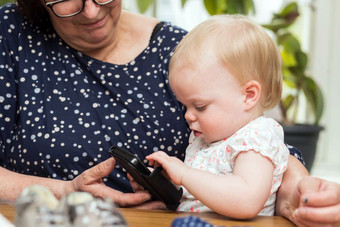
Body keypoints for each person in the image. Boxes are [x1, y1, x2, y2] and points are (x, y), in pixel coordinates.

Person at [0, 0, 339, 226]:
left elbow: (262, 153)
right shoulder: (10, 37)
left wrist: (300, 194)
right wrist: (65, 191)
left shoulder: (184, 52)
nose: (91, 11)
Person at [145, 14, 289, 218]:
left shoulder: (255, 137)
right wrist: (164, 182)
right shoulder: (207, 139)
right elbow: (199, 194)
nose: (188, 116)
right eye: (184, 105)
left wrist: (185, 175)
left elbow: (246, 200)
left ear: (248, 95)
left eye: (200, 106)